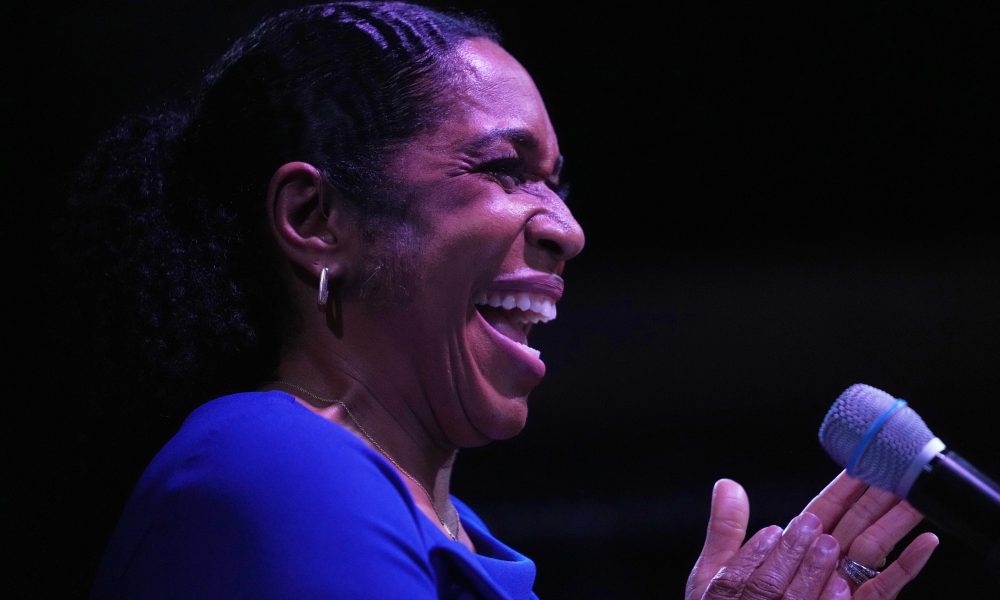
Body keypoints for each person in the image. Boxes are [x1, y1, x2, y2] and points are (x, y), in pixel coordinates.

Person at [71, 2, 938, 598]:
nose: (567, 228)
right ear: (315, 218)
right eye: (502, 169)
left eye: (557, 184)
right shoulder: (277, 469)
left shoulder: (459, 535)